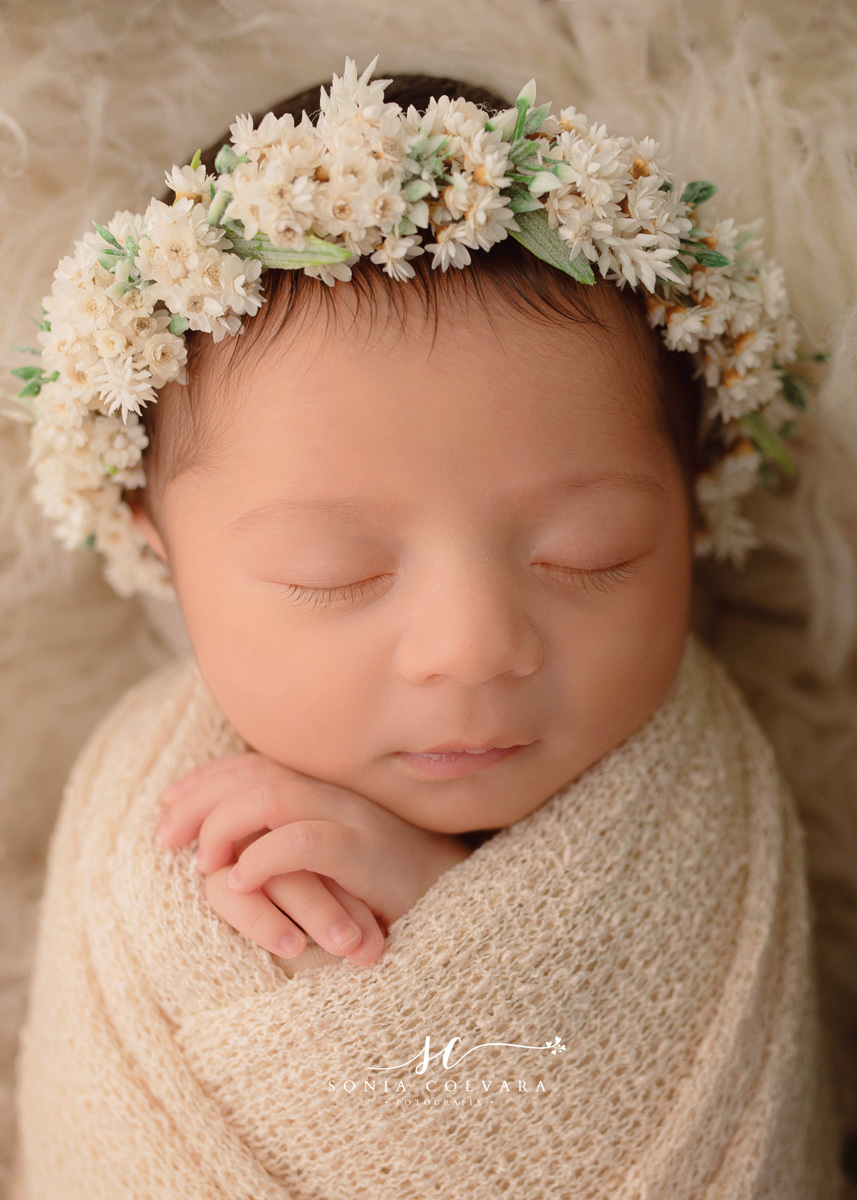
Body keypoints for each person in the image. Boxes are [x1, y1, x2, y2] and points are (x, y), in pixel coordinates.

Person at [10, 57, 846, 1199]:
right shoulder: (136, 827)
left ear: (694, 508)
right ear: (158, 543)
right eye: (330, 571)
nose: (472, 645)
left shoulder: (711, 804)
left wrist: (437, 936)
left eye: (585, 554)